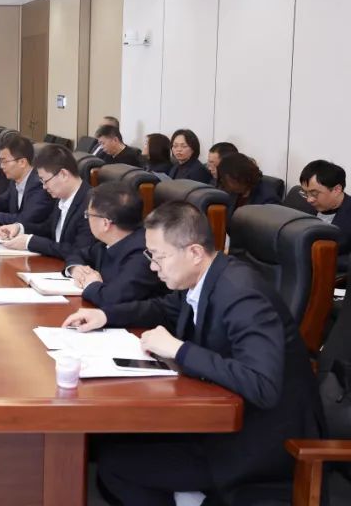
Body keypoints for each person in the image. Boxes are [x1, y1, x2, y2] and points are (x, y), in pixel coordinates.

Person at [63, 202, 322, 504]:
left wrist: (179, 349)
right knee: (110, 440)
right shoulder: (203, 277)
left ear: (195, 253)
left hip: (257, 441)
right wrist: (105, 315)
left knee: (116, 467)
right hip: (220, 415)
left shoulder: (242, 294)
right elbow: (164, 308)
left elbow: (262, 385)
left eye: (158, 257)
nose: (152, 267)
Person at [62, 182, 167, 307]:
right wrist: (76, 269)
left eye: (88, 215)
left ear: (105, 223)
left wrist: (91, 284)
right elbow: (78, 253)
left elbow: (111, 299)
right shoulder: (109, 243)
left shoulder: (143, 255)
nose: (87, 219)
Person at [0, 144, 93, 260]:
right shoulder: (61, 196)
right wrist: (19, 228)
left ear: (63, 174)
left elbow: (79, 251)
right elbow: (47, 228)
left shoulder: (91, 204)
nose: (44, 187)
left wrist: (30, 242)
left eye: (45, 181)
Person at [0, 133, 55, 226]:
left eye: (5, 161)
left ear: (22, 162)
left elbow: (24, 220)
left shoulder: (39, 184)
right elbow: (3, 199)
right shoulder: (15, 180)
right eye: (0, 161)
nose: (1, 166)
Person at [299, 159, 351, 257]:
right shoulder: (305, 207)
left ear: (337, 189)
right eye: (305, 193)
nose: (309, 200)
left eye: (314, 193)